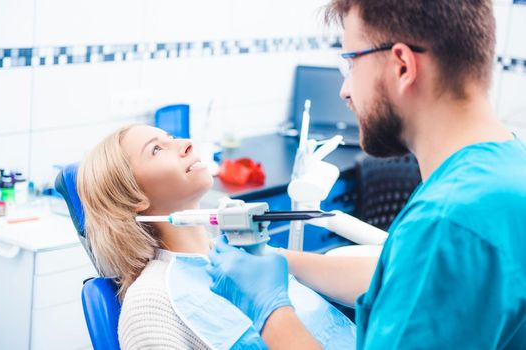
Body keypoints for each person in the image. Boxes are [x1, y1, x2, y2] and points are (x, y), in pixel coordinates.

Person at [207, 0, 526, 349]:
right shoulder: (503, 166)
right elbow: (399, 278)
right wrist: (281, 261)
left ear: (402, 65)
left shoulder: (446, 221)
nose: (344, 91)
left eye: (350, 64)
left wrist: (268, 308)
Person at [77, 124, 356, 349]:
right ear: (133, 196)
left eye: (171, 137)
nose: (186, 142)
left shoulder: (248, 260)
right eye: (157, 149)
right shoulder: (150, 303)